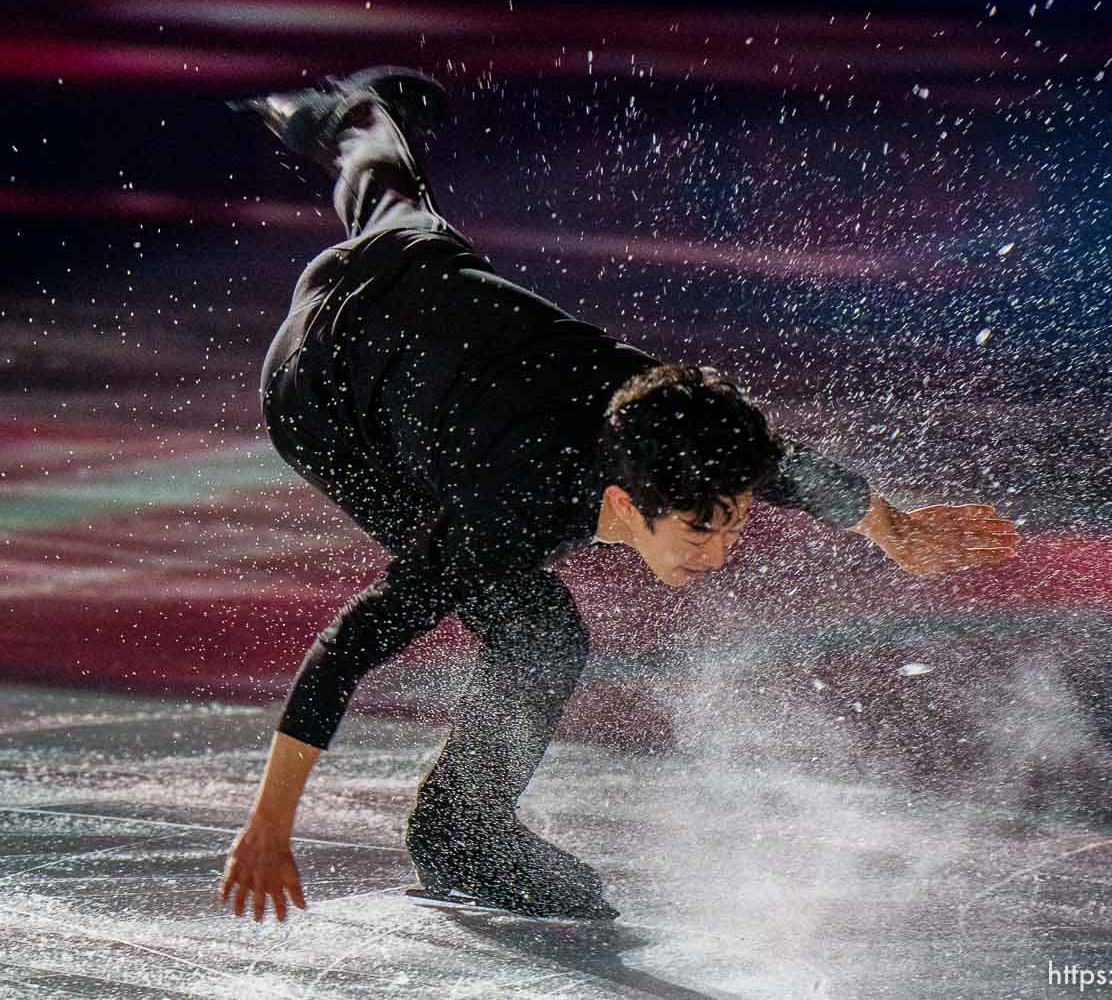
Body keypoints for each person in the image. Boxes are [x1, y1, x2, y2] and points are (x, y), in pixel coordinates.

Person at [218, 68, 1021, 924]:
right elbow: (351, 643)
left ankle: (349, 115)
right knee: (539, 630)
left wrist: (888, 525)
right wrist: (269, 825)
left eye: (733, 523)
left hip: (423, 275)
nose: (723, 549)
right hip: (325, 397)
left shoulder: (669, 421)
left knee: (391, 192)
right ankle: (459, 831)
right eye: (705, 531)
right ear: (626, 505)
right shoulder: (511, 510)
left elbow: (772, 463)